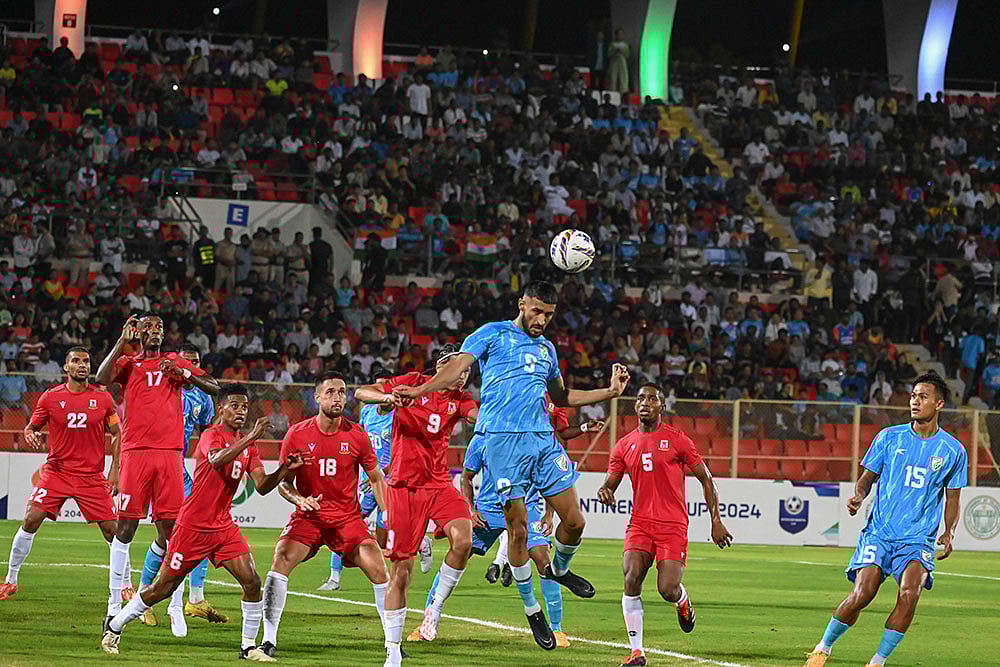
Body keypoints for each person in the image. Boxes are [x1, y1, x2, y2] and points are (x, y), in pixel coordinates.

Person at [392, 282, 629, 650]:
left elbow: (563, 397)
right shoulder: (492, 333)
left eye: (549, 314)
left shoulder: (547, 349)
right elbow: (458, 366)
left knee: (575, 522)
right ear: (522, 303)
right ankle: (533, 612)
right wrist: (421, 392)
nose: (542, 320)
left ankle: (559, 570)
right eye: (537, 311)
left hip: (542, 440)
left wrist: (610, 392)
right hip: (503, 443)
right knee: (517, 532)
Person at [100, 384, 304, 661]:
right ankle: (114, 626)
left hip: (223, 527)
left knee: (252, 582)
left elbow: (262, 486)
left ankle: (247, 647)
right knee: (164, 588)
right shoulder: (212, 436)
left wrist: (283, 470)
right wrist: (250, 438)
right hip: (192, 527)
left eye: (245, 407)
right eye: (235, 405)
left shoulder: (248, 445)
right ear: (221, 408)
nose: (241, 411)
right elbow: (217, 459)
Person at [803, 372, 967, 667]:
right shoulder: (889, 437)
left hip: (918, 538)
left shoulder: (953, 450)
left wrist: (949, 532)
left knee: (909, 594)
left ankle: (877, 662)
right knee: (863, 594)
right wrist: (858, 495)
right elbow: (866, 479)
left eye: (923, 397)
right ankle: (823, 647)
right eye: (914, 395)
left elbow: (953, 497)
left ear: (939, 404)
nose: (915, 402)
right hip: (879, 532)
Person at [355, 345, 479, 666]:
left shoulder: (460, 400)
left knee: (465, 539)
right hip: (404, 488)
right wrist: (389, 398)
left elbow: (478, 415)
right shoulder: (411, 381)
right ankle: (393, 652)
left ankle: (434, 609)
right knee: (401, 571)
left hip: (438, 484)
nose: (463, 377)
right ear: (441, 367)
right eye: (458, 370)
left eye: (467, 372)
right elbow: (361, 392)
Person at [95, 314, 219, 629]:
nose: (154, 332)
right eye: (148, 327)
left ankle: (175, 605)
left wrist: (184, 374)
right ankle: (113, 605)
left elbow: (213, 386)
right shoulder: (129, 363)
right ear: (138, 332)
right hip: (135, 454)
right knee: (125, 530)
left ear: (164, 335)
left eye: (159, 328)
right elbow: (102, 376)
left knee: (172, 532)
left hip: (170, 456)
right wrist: (121, 341)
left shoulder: (174, 362)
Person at [598, 384, 733, 667]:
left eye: (651, 399)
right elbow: (610, 482)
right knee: (631, 576)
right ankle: (637, 652)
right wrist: (605, 491)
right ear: (635, 406)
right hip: (640, 524)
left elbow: (706, 478)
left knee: (667, 589)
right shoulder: (623, 445)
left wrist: (716, 521)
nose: (644, 403)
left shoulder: (678, 440)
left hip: (672, 524)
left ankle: (682, 601)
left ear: (662, 406)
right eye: (640, 398)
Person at [259, 372, 391, 659]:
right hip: (309, 518)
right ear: (317, 397)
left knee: (379, 567)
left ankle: (393, 644)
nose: (337, 397)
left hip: (346, 518)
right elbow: (283, 483)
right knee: (281, 556)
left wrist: (387, 514)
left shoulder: (357, 434)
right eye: (330, 392)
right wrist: (299, 499)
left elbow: (377, 478)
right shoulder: (297, 434)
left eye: (342, 392)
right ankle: (268, 640)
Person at [1, 348, 121, 600]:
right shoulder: (50, 398)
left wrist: (114, 471)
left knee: (114, 531)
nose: (82, 365)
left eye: (86, 361)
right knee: (31, 518)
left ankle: (126, 586)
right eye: (76, 361)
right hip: (57, 473)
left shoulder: (103, 398)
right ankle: (10, 580)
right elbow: (31, 427)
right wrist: (30, 433)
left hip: (91, 476)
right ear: (66, 367)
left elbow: (117, 433)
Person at [137, 343, 224, 629]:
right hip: (156, 465)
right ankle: (142, 597)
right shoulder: (162, 387)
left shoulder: (201, 395)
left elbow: (209, 432)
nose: (191, 366)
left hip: (181, 469)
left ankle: (195, 598)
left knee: (198, 529)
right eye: (186, 362)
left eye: (196, 362)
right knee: (167, 538)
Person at [319, 372, 411, 592]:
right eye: (376, 389)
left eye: (384, 389)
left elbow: (404, 452)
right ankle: (334, 577)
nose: (379, 394)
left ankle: (411, 550)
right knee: (341, 525)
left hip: (388, 483)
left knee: (382, 538)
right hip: (363, 484)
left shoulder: (400, 417)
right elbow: (359, 444)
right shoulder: (368, 412)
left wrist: (380, 473)